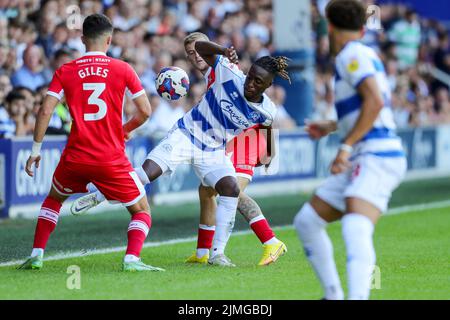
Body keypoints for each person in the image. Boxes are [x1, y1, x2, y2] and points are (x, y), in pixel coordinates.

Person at [71, 37, 290, 267]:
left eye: (258, 82)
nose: (250, 84)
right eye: (250, 76)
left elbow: (265, 129)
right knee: (147, 173)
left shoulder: (267, 111)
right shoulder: (230, 73)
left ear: (267, 86)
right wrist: (223, 50)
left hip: (213, 150)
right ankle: (100, 194)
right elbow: (200, 47)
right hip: (186, 135)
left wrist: (266, 155)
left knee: (230, 188)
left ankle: (217, 254)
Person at [18, 14, 163, 272]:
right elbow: (145, 112)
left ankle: (37, 254)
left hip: (75, 157)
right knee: (141, 211)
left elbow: (44, 111)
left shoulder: (65, 70)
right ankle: (131, 259)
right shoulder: (123, 69)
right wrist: (123, 130)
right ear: (109, 39)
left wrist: (35, 151)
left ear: (82, 39)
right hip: (111, 158)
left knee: (53, 200)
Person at [294, 0, 406, 300]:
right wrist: (331, 126)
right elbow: (369, 107)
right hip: (368, 154)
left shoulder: (351, 55)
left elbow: (375, 103)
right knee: (307, 221)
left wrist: (345, 146)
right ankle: (333, 295)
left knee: (355, 226)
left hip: (377, 156)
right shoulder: (360, 53)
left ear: (329, 26)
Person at [182, 32, 287, 266]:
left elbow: (265, 117)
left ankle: (271, 242)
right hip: (230, 141)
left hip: (246, 141)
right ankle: (202, 253)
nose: (196, 56)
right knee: (206, 190)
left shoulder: (225, 68)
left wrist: (270, 148)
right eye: (190, 53)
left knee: (233, 193)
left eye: (199, 51)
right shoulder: (211, 75)